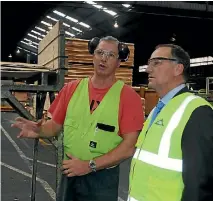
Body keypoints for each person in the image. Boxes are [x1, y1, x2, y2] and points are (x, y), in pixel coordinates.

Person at [11, 36, 144, 201]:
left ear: (118, 62)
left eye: (110, 55)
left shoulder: (128, 97)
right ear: (93, 56)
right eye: (100, 52)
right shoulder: (71, 89)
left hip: (102, 179)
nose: (103, 58)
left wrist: (89, 166)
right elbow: (54, 126)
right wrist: (39, 130)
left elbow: (128, 147)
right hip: (70, 172)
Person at [128, 44, 213, 201]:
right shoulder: (158, 109)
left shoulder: (197, 111)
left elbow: (200, 185)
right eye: (149, 63)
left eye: (157, 62)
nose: (148, 69)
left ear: (178, 69)